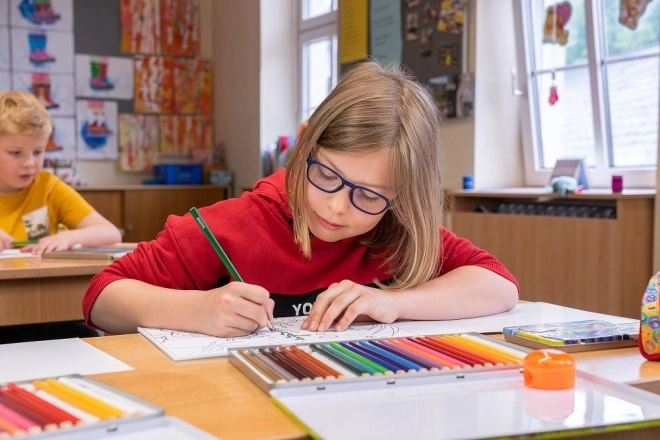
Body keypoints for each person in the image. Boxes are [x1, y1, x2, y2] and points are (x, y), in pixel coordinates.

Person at [83, 61, 519, 337]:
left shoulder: (397, 231)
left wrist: (395, 302)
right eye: (327, 174)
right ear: (305, 143)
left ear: (402, 197)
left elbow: (498, 285)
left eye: (369, 195)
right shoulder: (231, 226)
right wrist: (196, 310)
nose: (336, 206)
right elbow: (101, 297)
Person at [0, 91, 122, 254]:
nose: (30, 163)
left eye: (38, 152)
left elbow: (111, 233)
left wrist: (67, 238)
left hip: (39, 279)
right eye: (15, 153)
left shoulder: (49, 187)